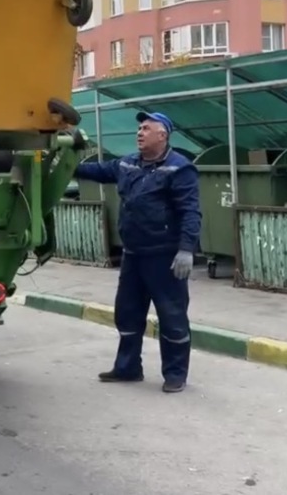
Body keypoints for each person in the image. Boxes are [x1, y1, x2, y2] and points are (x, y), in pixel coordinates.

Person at [73, 111, 201, 393]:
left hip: (164, 257)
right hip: (133, 254)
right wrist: (69, 162)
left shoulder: (180, 169)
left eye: (146, 128)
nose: (139, 132)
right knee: (128, 313)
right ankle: (128, 367)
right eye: (139, 128)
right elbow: (98, 171)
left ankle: (175, 374)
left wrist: (186, 250)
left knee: (172, 316)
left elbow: (190, 211)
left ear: (162, 135)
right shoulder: (128, 163)